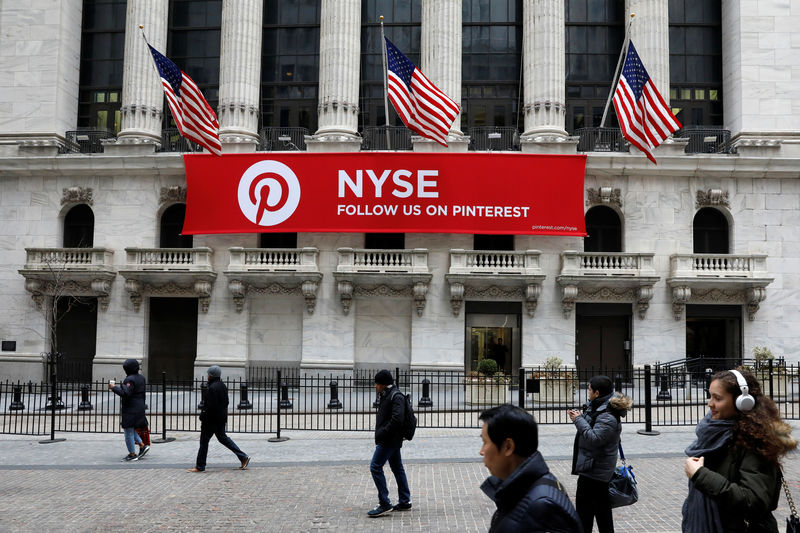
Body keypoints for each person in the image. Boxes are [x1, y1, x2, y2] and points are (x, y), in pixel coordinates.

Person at [682, 369, 797, 533]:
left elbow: (754, 501)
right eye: (710, 396)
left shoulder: (756, 442)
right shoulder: (713, 434)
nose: (710, 403)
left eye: (718, 398)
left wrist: (700, 475)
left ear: (742, 402)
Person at [479, 404, 582, 533]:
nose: (481, 452)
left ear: (508, 447)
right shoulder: (519, 491)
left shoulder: (542, 507)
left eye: (485, 442)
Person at [568, 375, 631, 533]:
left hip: (595, 472)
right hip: (594, 468)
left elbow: (594, 438)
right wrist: (582, 415)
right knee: (601, 512)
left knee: (585, 514)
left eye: (589, 389)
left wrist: (578, 420)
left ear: (597, 393)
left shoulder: (607, 415)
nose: (587, 391)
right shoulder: (599, 405)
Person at [187, 365, 250, 472]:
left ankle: (200, 466)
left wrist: (203, 416)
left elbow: (210, 407)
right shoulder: (222, 386)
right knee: (223, 438)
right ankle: (243, 457)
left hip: (211, 420)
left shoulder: (212, 388)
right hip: (220, 419)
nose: (207, 375)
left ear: (211, 375)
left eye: (208, 374)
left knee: (204, 442)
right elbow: (226, 402)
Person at [367, 369, 411, 517]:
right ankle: (405, 501)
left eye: (377, 383)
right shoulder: (387, 394)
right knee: (397, 467)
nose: (375, 386)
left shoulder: (395, 396)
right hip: (391, 439)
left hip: (389, 439)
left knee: (375, 466)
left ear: (383, 384)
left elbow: (397, 419)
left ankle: (384, 503)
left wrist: (383, 432)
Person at [109, 358, 148, 462]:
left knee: (128, 431)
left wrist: (114, 387)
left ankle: (132, 454)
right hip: (139, 407)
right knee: (130, 429)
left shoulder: (129, 380)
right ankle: (142, 445)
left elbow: (126, 394)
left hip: (131, 409)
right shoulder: (142, 378)